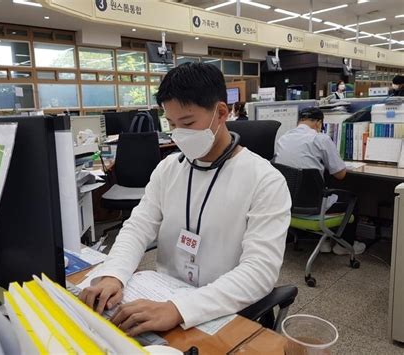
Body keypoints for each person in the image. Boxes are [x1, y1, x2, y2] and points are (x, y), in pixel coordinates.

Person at [79, 62, 291, 336]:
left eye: (188, 123)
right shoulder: (169, 169)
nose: (179, 134)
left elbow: (259, 272)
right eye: (171, 124)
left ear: (221, 112)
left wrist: (179, 308)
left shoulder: (265, 180)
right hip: (163, 295)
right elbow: (138, 226)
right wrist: (113, 274)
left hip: (222, 309)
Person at [274, 107, 366, 255]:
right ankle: (343, 246)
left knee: (320, 187)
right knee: (351, 199)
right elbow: (340, 174)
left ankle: (323, 241)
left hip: (287, 204)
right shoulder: (320, 138)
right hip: (314, 206)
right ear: (318, 123)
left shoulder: (283, 138)